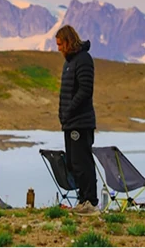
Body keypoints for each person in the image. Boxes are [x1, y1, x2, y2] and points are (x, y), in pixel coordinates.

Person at [55, 25, 99, 216]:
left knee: (82, 162)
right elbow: (65, 92)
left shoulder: (83, 60)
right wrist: (62, 114)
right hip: (70, 121)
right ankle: (83, 200)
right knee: (73, 162)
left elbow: (85, 90)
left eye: (60, 44)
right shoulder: (68, 62)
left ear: (68, 42)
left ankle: (90, 201)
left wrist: (70, 110)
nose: (58, 49)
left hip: (81, 122)